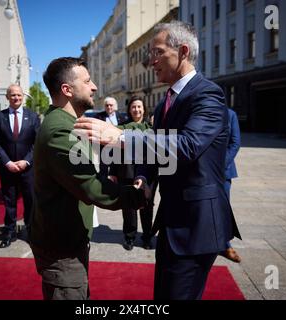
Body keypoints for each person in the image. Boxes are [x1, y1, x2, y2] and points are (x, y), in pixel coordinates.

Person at [74, 21, 241, 300]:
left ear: (183, 51)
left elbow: (187, 146)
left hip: (197, 225)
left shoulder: (208, 94)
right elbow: (159, 151)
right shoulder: (167, 101)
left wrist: (121, 137)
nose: (150, 61)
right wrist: (145, 177)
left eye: (157, 52)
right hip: (172, 220)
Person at [29, 57, 149, 300]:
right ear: (67, 90)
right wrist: (138, 195)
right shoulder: (59, 130)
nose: (94, 86)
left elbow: (113, 133)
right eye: (87, 81)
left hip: (69, 241)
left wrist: (146, 130)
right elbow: (94, 189)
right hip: (61, 250)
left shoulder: (70, 121)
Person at [0, 84, 40, 248]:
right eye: (12, 95)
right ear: (7, 97)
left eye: (19, 95)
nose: (16, 98)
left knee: (30, 201)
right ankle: (10, 232)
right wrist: (8, 163)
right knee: (9, 202)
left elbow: (37, 142)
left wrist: (26, 161)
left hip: (28, 168)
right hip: (7, 169)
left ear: (23, 96)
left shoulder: (32, 116)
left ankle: (31, 231)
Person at [109, 96, 155, 250]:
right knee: (128, 206)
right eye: (134, 107)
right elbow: (115, 150)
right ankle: (129, 237)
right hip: (126, 172)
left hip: (148, 173)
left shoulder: (151, 128)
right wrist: (113, 171)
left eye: (139, 107)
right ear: (129, 110)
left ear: (144, 109)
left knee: (147, 205)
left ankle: (147, 236)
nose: (136, 109)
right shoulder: (122, 127)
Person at [220, 107, 242, 263]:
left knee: (223, 207)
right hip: (201, 170)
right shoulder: (199, 111)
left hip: (223, 170)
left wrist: (220, 165)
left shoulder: (230, 115)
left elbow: (235, 143)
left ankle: (226, 244)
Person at [94, 97, 127, 177]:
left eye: (111, 105)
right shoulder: (99, 117)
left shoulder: (122, 118)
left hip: (118, 147)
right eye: (107, 105)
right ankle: (104, 185)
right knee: (103, 170)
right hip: (104, 148)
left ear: (115, 106)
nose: (109, 107)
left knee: (117, 169)